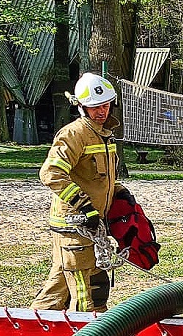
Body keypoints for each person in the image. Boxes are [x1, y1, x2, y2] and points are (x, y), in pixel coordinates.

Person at [32, 72, 129, 313]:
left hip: (92, 224)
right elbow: (51, 173)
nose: (101, 111)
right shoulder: (74, 134)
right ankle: (90, 333)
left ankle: (30, 325)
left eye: (105, 105)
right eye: (95, 107)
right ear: (81, 107)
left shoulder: (104, 135)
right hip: (75, 226)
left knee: (58, 288)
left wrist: (121, 193)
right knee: (88, 294)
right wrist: (84, 206)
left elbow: (98, 179)